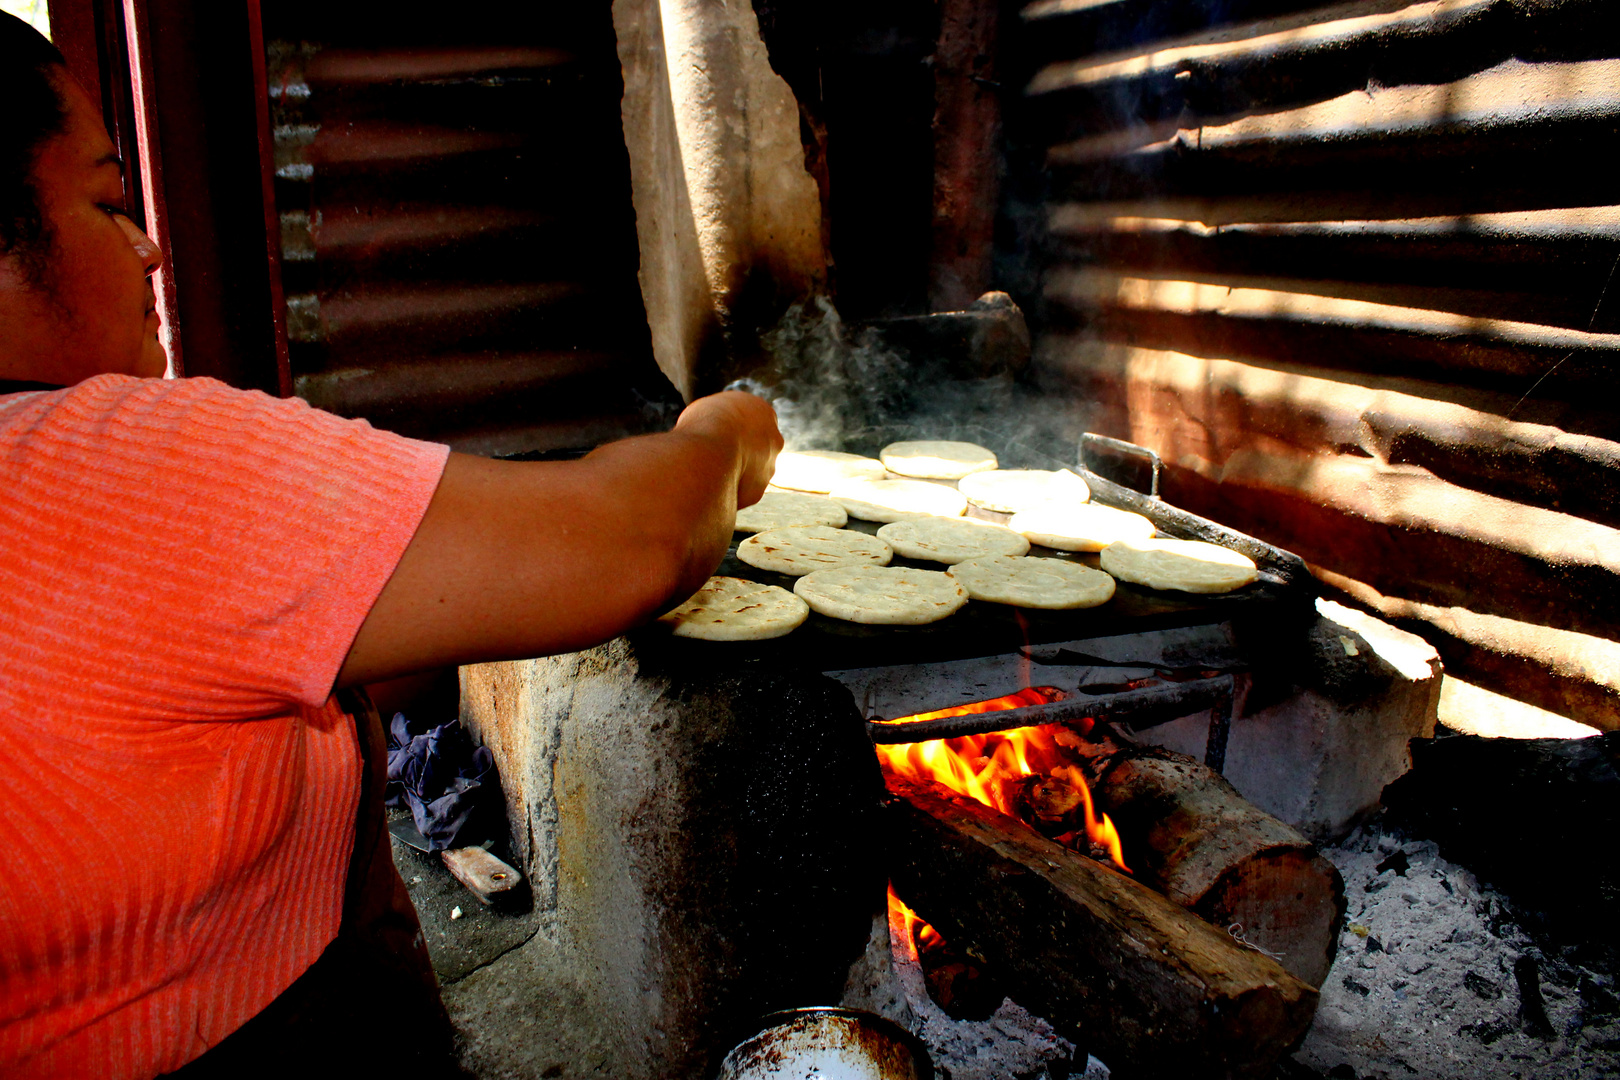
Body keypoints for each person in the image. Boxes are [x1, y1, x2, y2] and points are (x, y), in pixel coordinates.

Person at [0, 13, 782, 1078]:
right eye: (104, 201)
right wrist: (720, 432)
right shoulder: (98, 464)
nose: (145, 246)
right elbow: (633, 542)